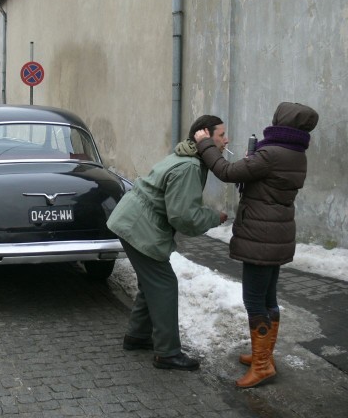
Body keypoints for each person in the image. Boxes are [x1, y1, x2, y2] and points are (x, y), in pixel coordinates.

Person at [194, 102, 319, 388]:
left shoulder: (272, 153)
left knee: (254, 300)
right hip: (277, 233)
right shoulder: (295, 152)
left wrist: (205, 145)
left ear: (282, 121)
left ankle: (262, 366)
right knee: (268, 297)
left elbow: (226, 171)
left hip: (261, 236)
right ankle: (265, 356)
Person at [107, 116, 228, 371]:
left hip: (132, 221)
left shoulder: (185, 156)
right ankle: (167, 353)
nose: (226, 140)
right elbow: (183, 217)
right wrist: (213, 217)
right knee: (164, 285)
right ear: (204, 135)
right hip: (140, 227)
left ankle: (138, 337)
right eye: (221, 135)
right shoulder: (189, 168)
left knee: (152, 283)